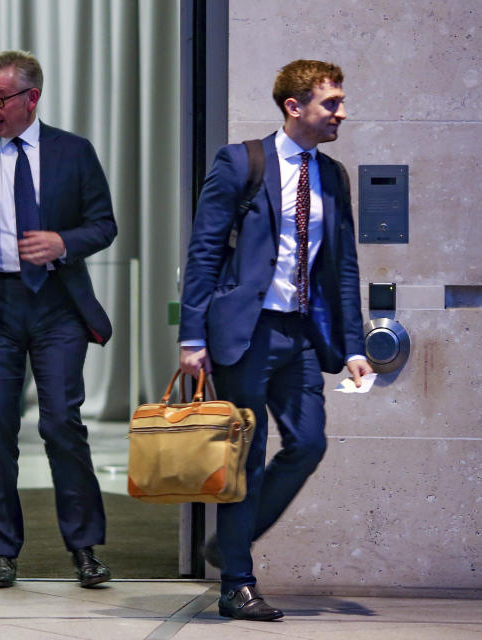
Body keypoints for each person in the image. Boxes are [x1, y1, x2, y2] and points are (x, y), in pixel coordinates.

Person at [178, 59, 373, 620]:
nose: (342, 112)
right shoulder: (242, 162)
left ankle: (232, 541)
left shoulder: (332, 175)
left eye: (340, 101)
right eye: (331, 103)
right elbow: (205, 251)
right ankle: (237, 583)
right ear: (295, 107)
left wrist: (354, 346)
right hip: (248, 332)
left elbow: (344, 267)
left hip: (304, 333)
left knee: (309, 442)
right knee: (245, 458)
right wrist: (192, 336)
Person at [0, 50, 116, 589]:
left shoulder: (73, 152)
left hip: (58, 304)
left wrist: (64, 241)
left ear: (31, 98)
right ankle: (2, 551)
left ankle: (85, 549)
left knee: (61, 423)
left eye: (0, 98)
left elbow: (103, 224)